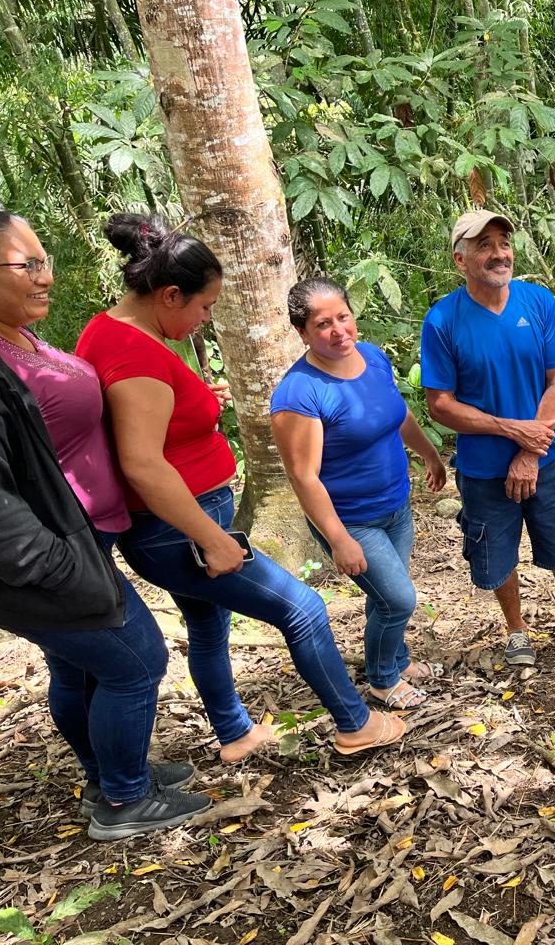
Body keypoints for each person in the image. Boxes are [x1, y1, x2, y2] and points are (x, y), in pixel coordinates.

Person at [77, 213, 405, 759]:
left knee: (208, 625)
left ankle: (234, 733)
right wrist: (212, 538)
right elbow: (143, 464)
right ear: (171, 295)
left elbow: (143, 420)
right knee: (303, 608)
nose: (205, 319)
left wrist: (195, 403)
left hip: (180, 521)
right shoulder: (134, 353)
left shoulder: (114, 331)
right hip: (177, 528)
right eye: (205, 307)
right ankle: (355, 723)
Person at [0, 208, 210, 840]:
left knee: (78, 668)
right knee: (136, 659)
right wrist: (59, 568)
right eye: (26, 265)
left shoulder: (18, 337)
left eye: (45, 261)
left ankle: (109, 775)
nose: (44, 276)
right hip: (49, 556)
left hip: (84, 534)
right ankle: (124, 801)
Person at [421, 210, 555, 667]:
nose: (499, 254)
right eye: (485, 246)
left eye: (504, 243)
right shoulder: (443, 320)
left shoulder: (537, 301)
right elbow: (441, 405)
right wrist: (512, 430)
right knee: (496, 554)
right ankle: (517, 630)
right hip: (482, 468)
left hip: (543, 459)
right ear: (461, 260)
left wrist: (530, 451)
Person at [271, 277, 448, 709]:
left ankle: (398, 660)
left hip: (395, 505)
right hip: (351, 519)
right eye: (323, 324)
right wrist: (339, 540)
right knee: (398, 600)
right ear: (302, 332)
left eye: (343, 317)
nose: (339, 330)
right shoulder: (299, 393)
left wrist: (429, 454)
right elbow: (303, 476)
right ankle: (383, 680)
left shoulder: (371, 356)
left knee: (386, 596)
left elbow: (397, 413)